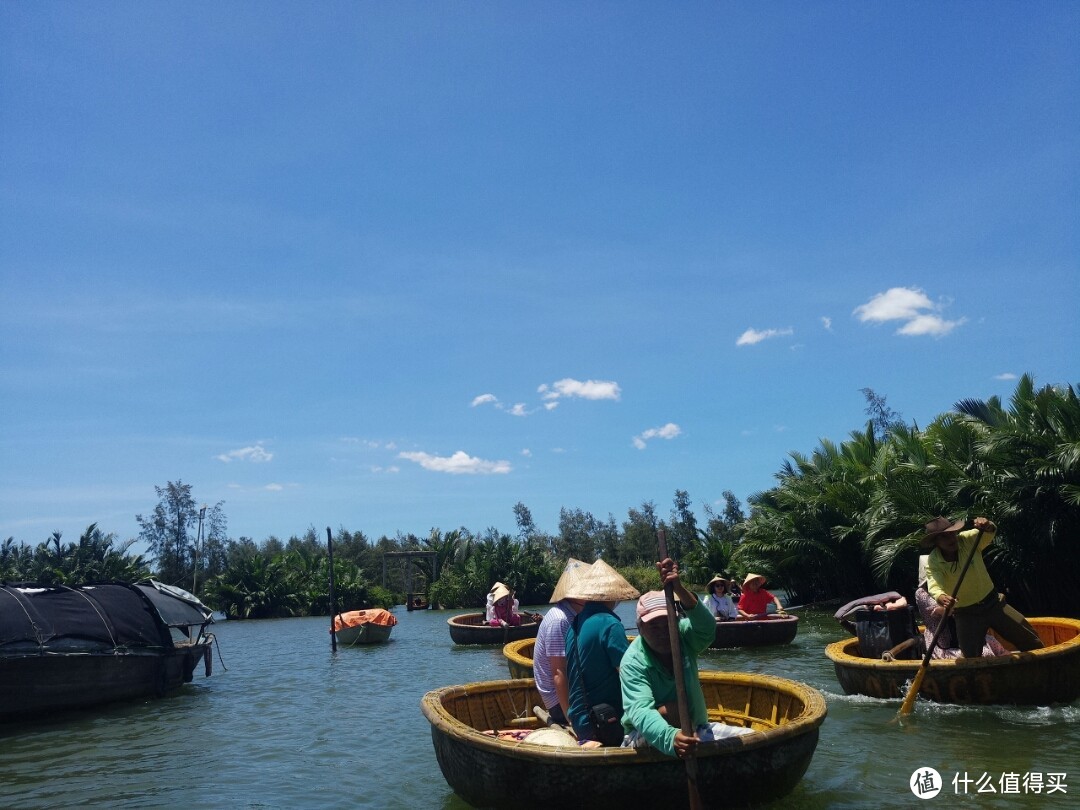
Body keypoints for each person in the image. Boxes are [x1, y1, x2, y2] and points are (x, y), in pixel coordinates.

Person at [621, 558, 753, 758]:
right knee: (668, 711)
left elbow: (707, 629)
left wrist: (679, 590)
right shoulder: (633, 661)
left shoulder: (683, 635)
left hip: (695, 727)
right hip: (643, 734)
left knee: (753, 739)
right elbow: (641, 711)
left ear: (676, 620)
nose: (662, 632)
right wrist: (671, 737)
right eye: (653, 626)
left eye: (667, 623)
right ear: (640, 628)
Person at [921, 516, 1041, 658]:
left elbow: (988, 532)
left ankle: (1045, 670)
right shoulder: (934, 560)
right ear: (936, 542)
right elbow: (934, 583)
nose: (951, 539)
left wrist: (987, 525)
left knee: (1030, 639)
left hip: (993, 603)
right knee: (971, 656)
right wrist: (940, 596)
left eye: (951, 533)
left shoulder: (967, 540)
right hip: (966, 614)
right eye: (944, 537)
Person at [563, 559, 640, 745]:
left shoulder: (573, 625)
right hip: (607, 722)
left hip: (582, 720)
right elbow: (628, 674)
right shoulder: (609, 624)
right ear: (612, 595)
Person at [533, 559, 592, 725]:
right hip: (560, 703)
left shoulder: (573, 614)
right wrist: (571, 718)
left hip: (573, 692)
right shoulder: (559, 620)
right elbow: (559, 674)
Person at [915, 555, 1006, 659]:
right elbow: (945, 611)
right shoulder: (922, 593)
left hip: (964, 634)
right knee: (984, 654)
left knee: (994, 644)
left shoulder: (950, 586)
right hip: (942, 644)